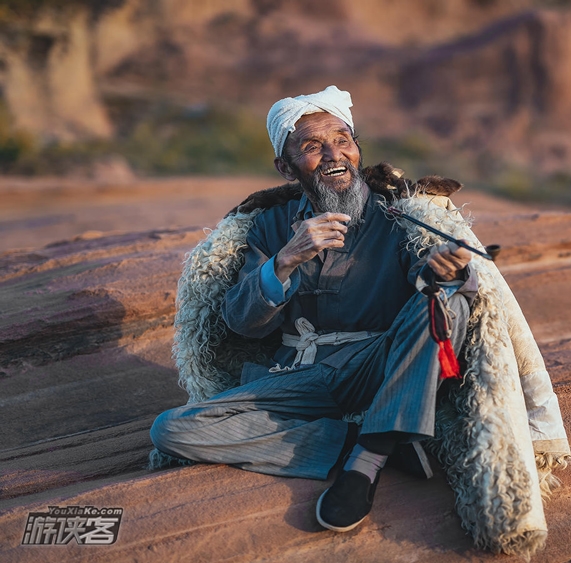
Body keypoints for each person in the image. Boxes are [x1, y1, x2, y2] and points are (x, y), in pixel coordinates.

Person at [150, 85, 478, 532]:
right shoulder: (270, 224)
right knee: (171, 429)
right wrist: (286, 258)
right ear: (285, 168)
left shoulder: (399, 213)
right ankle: (358, 440)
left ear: (357, 149)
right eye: (312, 146)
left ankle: (367, 461)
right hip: (300, 376)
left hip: (379, 366)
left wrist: (446, 269)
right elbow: (242, 323)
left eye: (343, 140)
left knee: (444, 302)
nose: (333, 154)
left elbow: (437, 283)